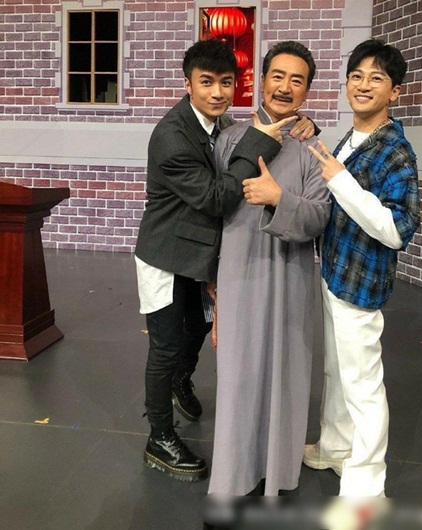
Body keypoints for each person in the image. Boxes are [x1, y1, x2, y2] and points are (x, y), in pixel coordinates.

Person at [135, 39, 313, 482]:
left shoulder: (221, 126)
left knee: (198, 327)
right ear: (188, 84)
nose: (217, 92)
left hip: (200, 252)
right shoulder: (172, 136)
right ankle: (159, 438)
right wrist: (263, 141)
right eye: (206, 82)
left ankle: (181, 380)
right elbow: (217, 197)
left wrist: (300, 124)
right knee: (165, 346)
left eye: (226, 83)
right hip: (166, 252)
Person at [207, 41, 331, 496]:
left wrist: (280, 199)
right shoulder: (229, 140)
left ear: (307, 91)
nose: (285, 87)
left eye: (297, 80)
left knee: (286, 376)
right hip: (238, 274)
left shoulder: (313, 148)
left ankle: (277, 474)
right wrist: (211, 287)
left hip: (290, 277)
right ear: (261, 81)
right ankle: (231, 480)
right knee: (238, 378)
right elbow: (210, 210)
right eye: (277, 76)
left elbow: (320, 216)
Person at [302, 38, 421, 497]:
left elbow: (397, 229)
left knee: (363, 384)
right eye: (356, 76)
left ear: (395, 91)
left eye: (376, 78)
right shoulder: (352, 138)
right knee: (336, 370)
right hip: (335, 271)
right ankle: (335, 447)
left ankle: (367, 485)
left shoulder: (396, 152)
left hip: (361, 281)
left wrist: (342, 182)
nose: (363, 85)